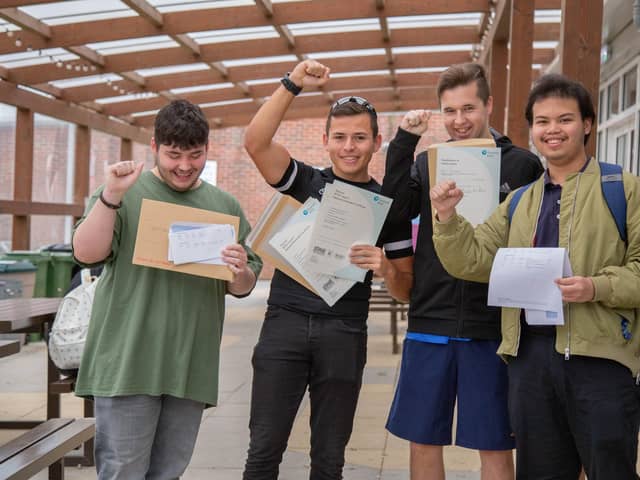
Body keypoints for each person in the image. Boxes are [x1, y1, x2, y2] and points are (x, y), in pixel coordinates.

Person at [430, 74, 640, 479]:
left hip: (601, 362)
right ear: (532, 130)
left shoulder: (624, 189)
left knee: (610, 470)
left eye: (565, 119)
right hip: (531, 362)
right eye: (542, 122)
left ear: (588, 124)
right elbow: (470, 260)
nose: (553, 130)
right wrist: (447, 216)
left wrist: (596, 287)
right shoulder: (520, 201)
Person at [242, 59, 414, 480]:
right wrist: (291, 84)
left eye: (359, 137)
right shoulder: (304, 182)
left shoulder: (387, 206)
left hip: (344, 331)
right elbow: (255, 142)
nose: (349, 146)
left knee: (329, 458)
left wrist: (386, 269)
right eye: (340, 137)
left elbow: (406, 290)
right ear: (325, 141)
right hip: (285, 322)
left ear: (376, 143)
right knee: (263, 450)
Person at [72, 99, 262, 479]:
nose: (185, 166)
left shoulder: (223, 205)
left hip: (189, 365)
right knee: (123, 471)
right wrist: (110, 196)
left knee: (169, 471)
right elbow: (85, 252)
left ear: (207, 149)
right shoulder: (123, 192)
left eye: (195, 155)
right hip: (127, 362)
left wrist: (240, 270)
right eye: (174, 155)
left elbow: (244, 284)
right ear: (155, 145)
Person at [381, 63, 543, 480]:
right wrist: (403, 144)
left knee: (493, 442)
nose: (458, 121)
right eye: (449, 111)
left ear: (489, 105)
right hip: (430, 318)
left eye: (468, 108)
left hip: (491, 326)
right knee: (423, 441)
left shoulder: (523, 166)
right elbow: (392, 212)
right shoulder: (426, 164)